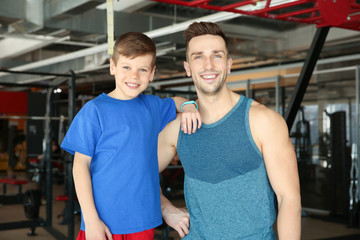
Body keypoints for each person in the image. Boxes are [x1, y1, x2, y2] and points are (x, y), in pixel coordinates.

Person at [158, 22, 301, 239]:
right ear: (187, 68)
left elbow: (288, 199)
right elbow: (137, 174)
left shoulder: (263, 120)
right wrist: (165, 207)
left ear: (228, 64)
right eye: (198, 57)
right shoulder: (176, 128)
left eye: (217, 55)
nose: (208, 65)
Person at [61, 32, 201, 240]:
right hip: (103, 222)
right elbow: (80, 166)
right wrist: (91, 220)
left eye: (142, 69)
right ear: (112, 67)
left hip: (142, 219)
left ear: (152, 73)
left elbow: (178, 100)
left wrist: (190, 105)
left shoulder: (152, 106)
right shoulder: (94, 111)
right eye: (126, 67)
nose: (134, 76)